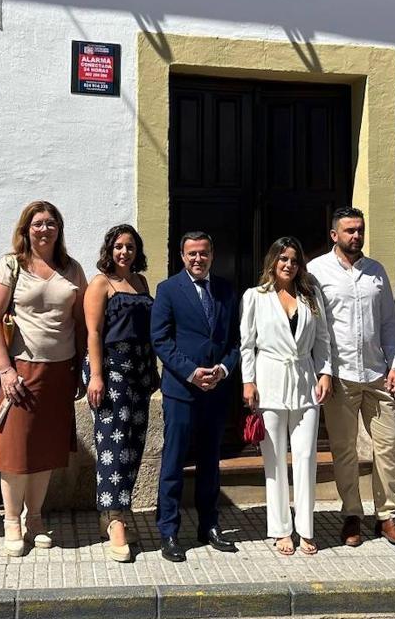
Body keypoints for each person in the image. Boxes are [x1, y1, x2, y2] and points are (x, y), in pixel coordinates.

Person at [0, 201, 87, 557]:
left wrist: (81, 367)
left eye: (51, 223)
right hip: (21, 370)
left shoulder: (72, 269)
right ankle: (11, 520)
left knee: (46, 449)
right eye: (38, 223)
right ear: (26, 229)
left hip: (60, 370)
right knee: (15, 448)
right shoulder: (12, 264)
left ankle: (36, 518)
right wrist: (5, 370)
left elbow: (81, 321)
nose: (45, 229)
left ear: (59, 228)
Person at [308, 207, 395, 548]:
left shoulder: (376, 272)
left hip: (377, 374)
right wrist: (322, 371)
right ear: (334, 235)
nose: (356, 236)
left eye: (360, 230)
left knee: (389, 445)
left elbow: (388, 325)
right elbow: (316, 327)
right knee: (344, 449)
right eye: (349, 230)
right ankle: (352, 514)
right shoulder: (316, 271)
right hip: (340, 375)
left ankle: (387, 516)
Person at [240, 236, 333, 556]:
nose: (288, 265)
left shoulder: (311, 296)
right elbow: (246, 343)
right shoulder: (255, 297)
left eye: (294, 259)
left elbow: (323, 340)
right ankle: (281, 529)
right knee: (275, 460)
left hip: (306, 383)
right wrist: (247, 382)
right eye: (283, 259)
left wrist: (325, 373)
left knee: (306, 457)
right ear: (272, 262)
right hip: (270, 382)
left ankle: (306, 527)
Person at [151, 231, 240, 562]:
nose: (198, 259)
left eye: (203, 253)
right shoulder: (168, 290)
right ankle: (169, 531)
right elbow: (161, 340)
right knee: (174, 462)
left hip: (216, 392)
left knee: (210, 463)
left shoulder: (226, 291)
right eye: (192, 254)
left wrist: (223, 370)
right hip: (182, 391)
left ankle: (209, 525)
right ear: (182, 255)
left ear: (212, 254)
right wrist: (191, 372)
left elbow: (236, 342)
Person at [83, 224, 158, 563]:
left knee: (133, 444)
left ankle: (115, 511)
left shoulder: (141, 283)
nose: (123, 252)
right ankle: (115, 520)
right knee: (112, 443)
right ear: (109, 250)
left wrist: (153, 369)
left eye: (129, 246)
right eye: (118, 246)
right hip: (112, 370)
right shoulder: (101, 284)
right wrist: (96, 376)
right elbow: (94, 333)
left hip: (141, 370)